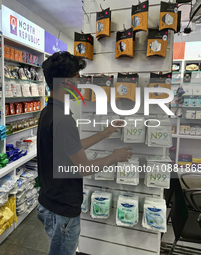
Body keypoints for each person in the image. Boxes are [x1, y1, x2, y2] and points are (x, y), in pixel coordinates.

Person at [37, 51, 133, 255]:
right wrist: (115, 157)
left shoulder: (50, 112)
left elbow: (71, 148)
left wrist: (104, 133)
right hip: (62, 209)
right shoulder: (62, 119)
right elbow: (83, 168)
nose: (80, 82)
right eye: (76, 77)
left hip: (50, 203)